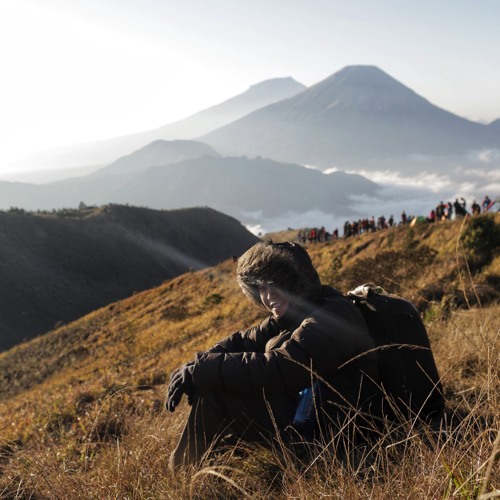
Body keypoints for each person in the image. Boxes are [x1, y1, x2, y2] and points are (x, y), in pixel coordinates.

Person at [166, 241, 381, 469]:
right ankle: (212, 465)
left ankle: (180, 473)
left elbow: (280, 369)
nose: (268, 296)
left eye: (274, 284)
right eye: (261, 288)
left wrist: (202, 370)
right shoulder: (294, 313)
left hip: (332, 440)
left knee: (215, 395)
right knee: (218, 380)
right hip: (307, 419)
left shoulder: (334, 316)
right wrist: (192, 367)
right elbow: (243, 341)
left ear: (297, 281)